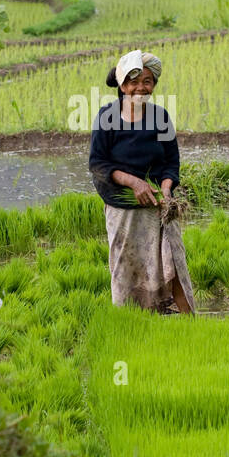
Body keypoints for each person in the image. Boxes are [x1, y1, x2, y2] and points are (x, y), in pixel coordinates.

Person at [89, 49, 195, 315]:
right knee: (127, 269)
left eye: (147, 81)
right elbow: (98, 164)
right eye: (134, 81)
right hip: (124, 211)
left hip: (159, 208)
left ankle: (194, 326)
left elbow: (171, 163)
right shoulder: (107, 118)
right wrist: (135, 184)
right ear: (123, 86)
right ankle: (130, 322)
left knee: (174, 265)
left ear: (154, 85)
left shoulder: (160, 118)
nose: (140, 87)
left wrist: (166, 190)